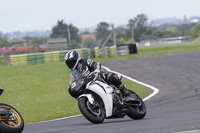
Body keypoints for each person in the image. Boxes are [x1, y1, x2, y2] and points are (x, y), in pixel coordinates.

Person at [64, 50, 130, 96]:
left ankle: (123, 90)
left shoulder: (85, 61)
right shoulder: (72, 73)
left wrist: (95, 72)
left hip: (97, 77)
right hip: (89, 85)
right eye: (69, 63)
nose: (71, 64)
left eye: (72, 62)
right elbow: (73, 81)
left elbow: (96, 64)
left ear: (77, 59)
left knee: (110, 76)